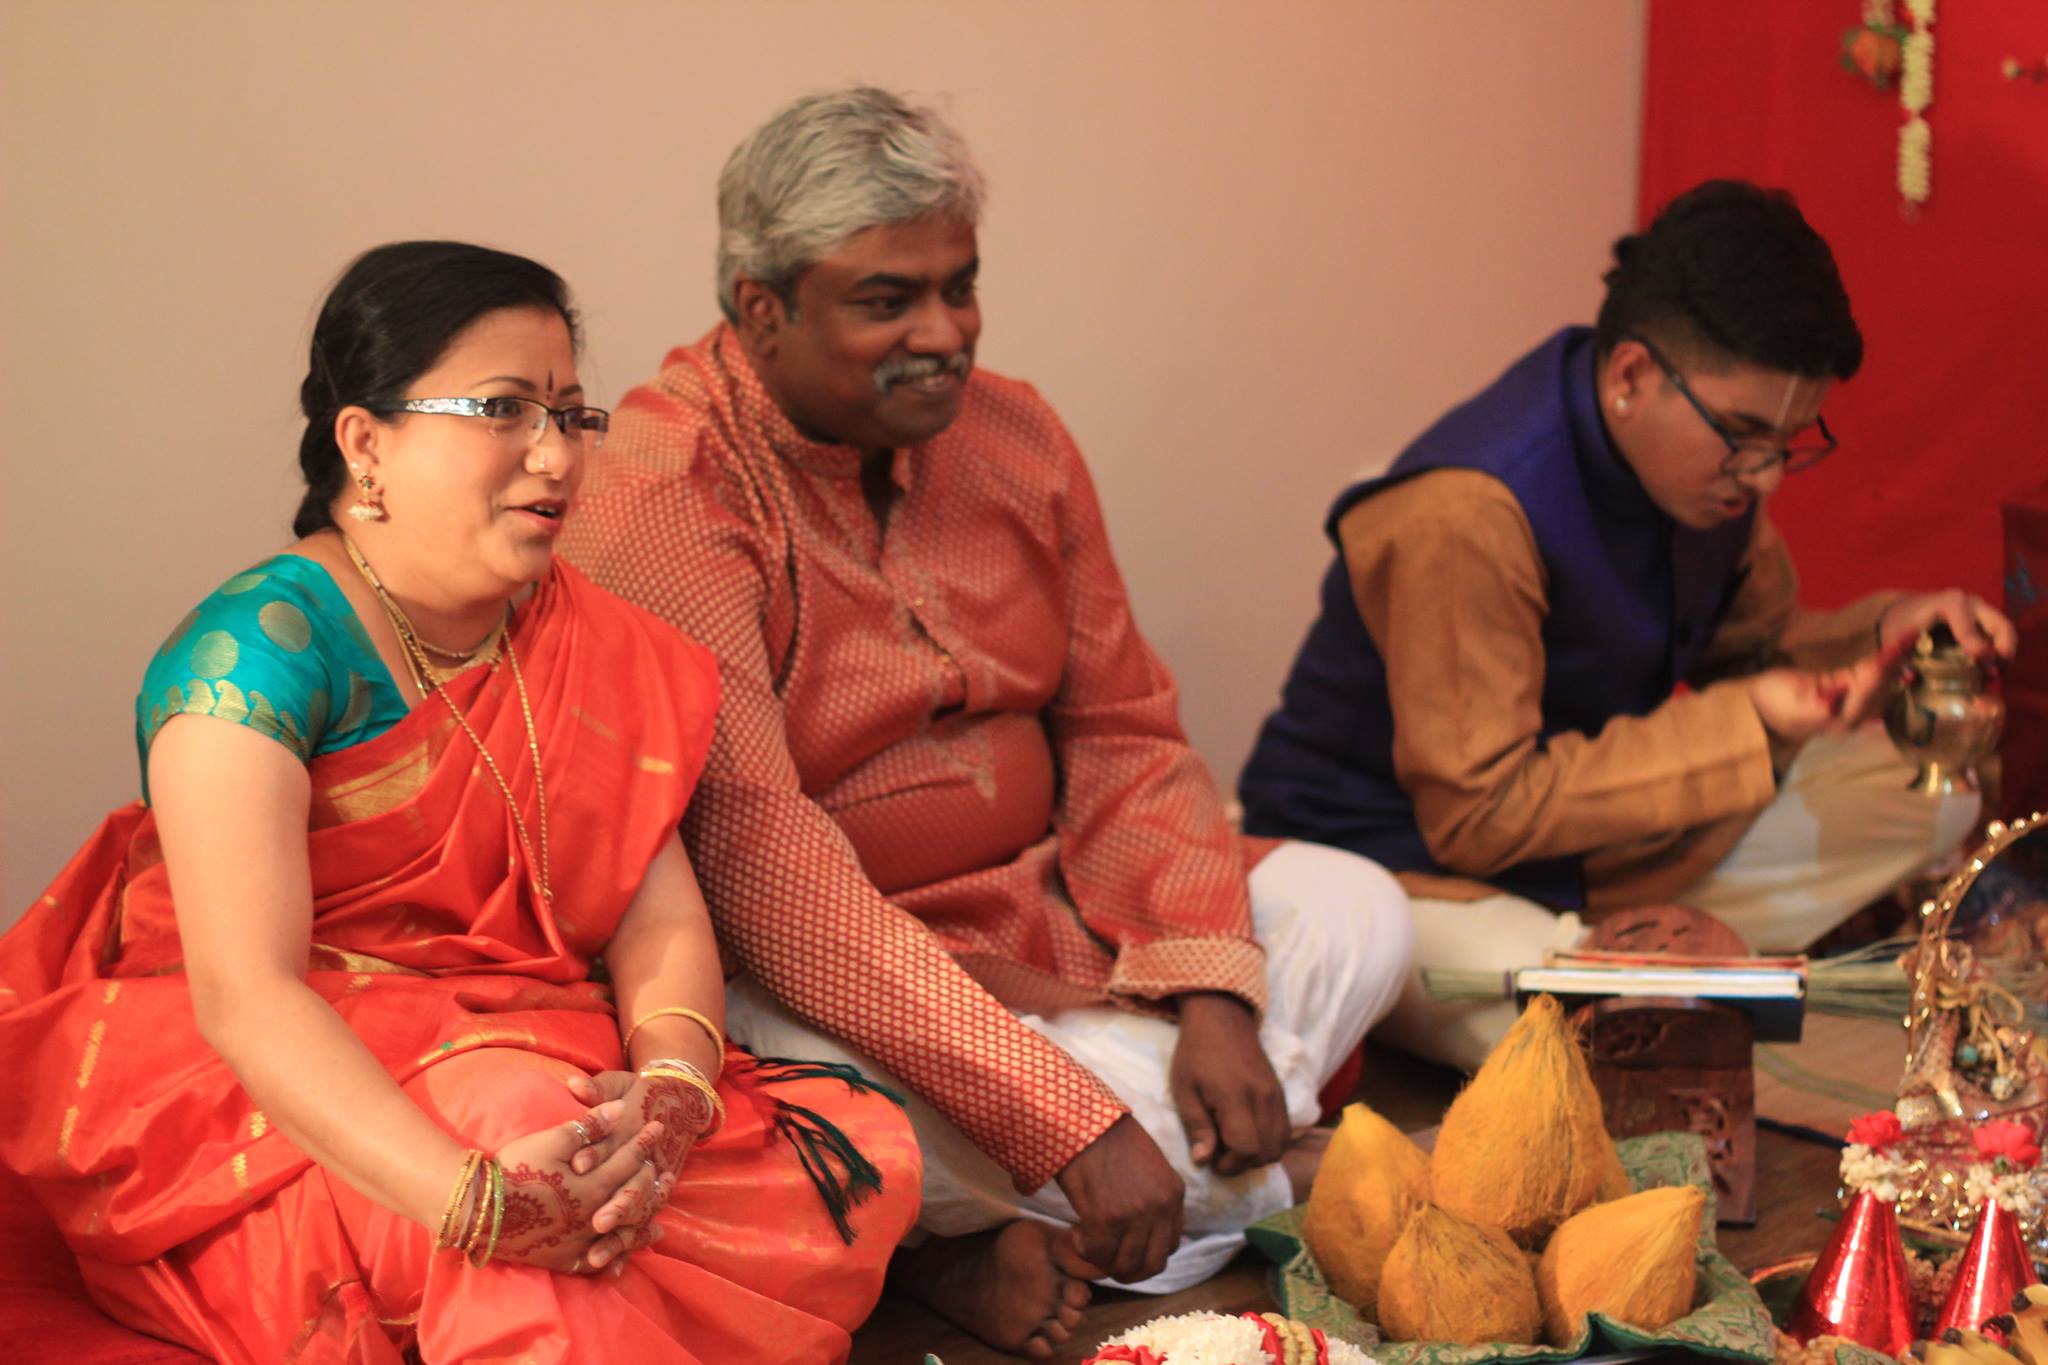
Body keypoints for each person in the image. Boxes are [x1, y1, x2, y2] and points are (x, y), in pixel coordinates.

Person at [561, 87, 1412, 1359]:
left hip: (1052, 912)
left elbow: (1123, 726)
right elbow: (764, 868)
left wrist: (1207, 988)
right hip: (822, 973)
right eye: (886, 300)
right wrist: (1060, 1119)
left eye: (960, 287)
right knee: (816, 1116)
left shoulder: (1013, 435)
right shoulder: (667, 493)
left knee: (1361, 912)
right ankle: (1251, 1172)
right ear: (760, 309)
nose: (945, 333)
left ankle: (1094, 1193)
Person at [0, 241, 920, 1364]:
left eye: (572, 415)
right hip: (272, 1101)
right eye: (504, 410)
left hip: (531, 1058)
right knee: (523, 1138)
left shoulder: (591, 643)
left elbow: (658, 916)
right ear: (365, 442)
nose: (555, 455)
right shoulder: (253, 656)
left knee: (841, 1157)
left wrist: (675, 1089)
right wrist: (473, 1201)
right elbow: (246, 999)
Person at [1238, 180, 2018, 1070]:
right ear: (1631, 378)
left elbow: (1760, 650)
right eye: (1744, 434)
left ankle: (1638, 950)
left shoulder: (1707, 467)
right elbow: (1480, 817)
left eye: (1790, 442)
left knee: (1931, 796)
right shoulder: (1467, 513)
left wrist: (1887, 633)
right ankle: (1628, 965)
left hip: (1589, 847)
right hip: (1399, 866)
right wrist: (1750, 721)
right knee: (1598, 1042)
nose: (1764, 477)